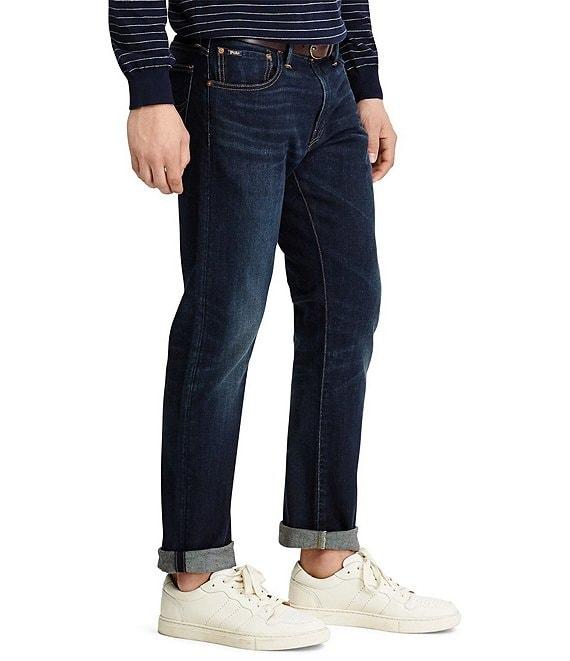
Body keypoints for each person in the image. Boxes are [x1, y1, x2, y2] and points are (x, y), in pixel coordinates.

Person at [110, 0, 460, 649]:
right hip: (228, 78)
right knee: (225, 321)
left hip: (330, 82)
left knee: (348, 311)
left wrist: (366, 84)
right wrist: (149, 92)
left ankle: (326, 557)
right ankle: (195, 573)